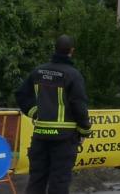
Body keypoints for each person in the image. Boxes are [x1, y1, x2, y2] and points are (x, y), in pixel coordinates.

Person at [15, 34, 91, 194]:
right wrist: (85, 130)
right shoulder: (73, 75)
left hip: (40, 137)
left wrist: (35, 112)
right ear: (72, 51)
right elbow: (79, 105)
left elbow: (21, 95)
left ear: (55, 49)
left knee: (36, 180)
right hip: (64, 140)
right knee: (59, 182)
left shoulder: (38, 72)